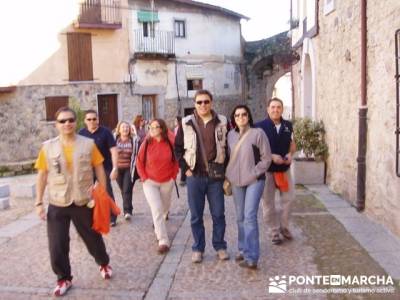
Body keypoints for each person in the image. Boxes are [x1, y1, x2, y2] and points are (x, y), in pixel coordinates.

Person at [34, 107, 112, 297]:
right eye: (62, 121)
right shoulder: (48, 147)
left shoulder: (88, 144)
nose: (67, 123)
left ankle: (103, 263)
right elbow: (42, 175)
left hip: (83, 200)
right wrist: (38, 203)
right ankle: (64, 278)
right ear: (56, 125)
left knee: (93, 239)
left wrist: (101, 193)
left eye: (70, 120)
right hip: (57, 202)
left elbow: (99, 169)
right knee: (57, 244)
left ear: (75, 122)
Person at [175, 89, 230, 263]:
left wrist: (226, 171)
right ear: (195, 104)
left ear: (211, 102)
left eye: (206, 101)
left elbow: (228, 147)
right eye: (199, 102)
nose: (203, 105)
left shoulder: (222, 121)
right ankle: (198, 248)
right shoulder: (186, 123)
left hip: (215, 177)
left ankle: (220, 246)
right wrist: (185, 170)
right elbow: (177, 149)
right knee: (196, 215)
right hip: (195, 176)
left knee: (218, 214)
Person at [226, 105, 271, 269]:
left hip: (254, 180)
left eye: (244, 114)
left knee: (250, 216)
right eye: (237, 115)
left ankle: (252, 257)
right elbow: (229, 156)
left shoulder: (258, 133)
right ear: (234, 118)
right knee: (239, 217)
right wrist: (228, 175)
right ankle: (243, 248)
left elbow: (266, 158)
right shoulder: (230, 135)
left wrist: (254, 172)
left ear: (248, 116)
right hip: (237, 182)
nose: (240, 117)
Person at [256, 97, 296, 245]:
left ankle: (284, 227)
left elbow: (292, 144)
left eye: (278, 107)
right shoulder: (259, 127)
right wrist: (271, 156)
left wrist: (290, 155)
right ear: (268, 109)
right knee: (268, 203)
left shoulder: (288, 126)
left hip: (284, 170)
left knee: (289, 199)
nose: (275, 110)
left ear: (282, 109)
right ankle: (274, 232)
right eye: (273, 107)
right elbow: (255, 148)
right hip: (267, 171)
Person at [136, 119, 179, 254]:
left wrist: (173, 176)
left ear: (162, 129)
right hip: (150, 182)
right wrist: (144, 178)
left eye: (156, 127)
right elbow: (138, 161)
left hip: (167, 181)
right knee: (157, 209)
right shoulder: (146, 143)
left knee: (165, 208)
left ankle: (163, 217)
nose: (152, 129)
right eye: (151, 127)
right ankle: (163, 240)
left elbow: (176, 160)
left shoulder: (170, 143)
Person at [79, 110, 119, 226]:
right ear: (85, 121)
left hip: (104, 167)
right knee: (88, 194)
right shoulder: (81, 134)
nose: (92, 121)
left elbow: (114, 150)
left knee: (106, 192)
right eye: (89, 119)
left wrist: (115, 168)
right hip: (87, 169)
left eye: (94, 119)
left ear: (98, 120)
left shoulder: (105, 132)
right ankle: (91, 216)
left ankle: (112, 217)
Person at [114, 121, 140, 220]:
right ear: (119, 129)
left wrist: (135, 132)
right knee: (124, 190)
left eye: (127, 127)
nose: (125, 129)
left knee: (126, 190)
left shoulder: (133, 140)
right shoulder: (115, 139)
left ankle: (127, 211)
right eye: (123, 127)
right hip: (117, 169)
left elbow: (138, 153)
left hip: (129, 169)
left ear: (129, 129)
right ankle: (130, 206)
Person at [174, 116, 186, 186]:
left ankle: (183, 179)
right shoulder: (176, 129)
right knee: (182, 163)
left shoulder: (182, 128)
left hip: (182, 146)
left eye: (176, 121)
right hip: (177, 145)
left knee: (183, 164)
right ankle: (183, 178)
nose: (175, 122)